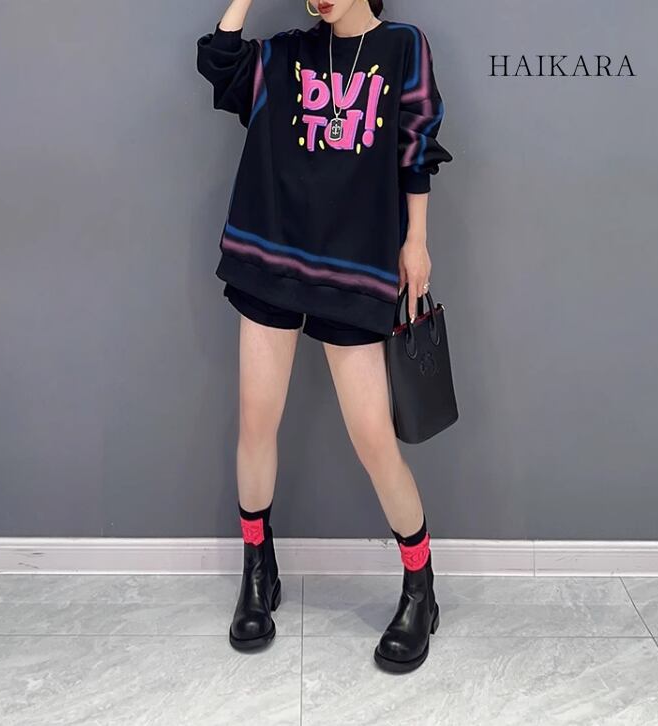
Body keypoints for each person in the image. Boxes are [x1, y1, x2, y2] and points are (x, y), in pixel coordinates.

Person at [196, 0, 453, 673]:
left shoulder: (403, 47)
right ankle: (259, 572)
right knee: (256, 421)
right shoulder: (285, 54)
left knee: (374, 438)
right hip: (273, 254)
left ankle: (420, 587)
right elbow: (220, 60)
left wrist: (416, 242)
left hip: (354, 262)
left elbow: (415, 148)